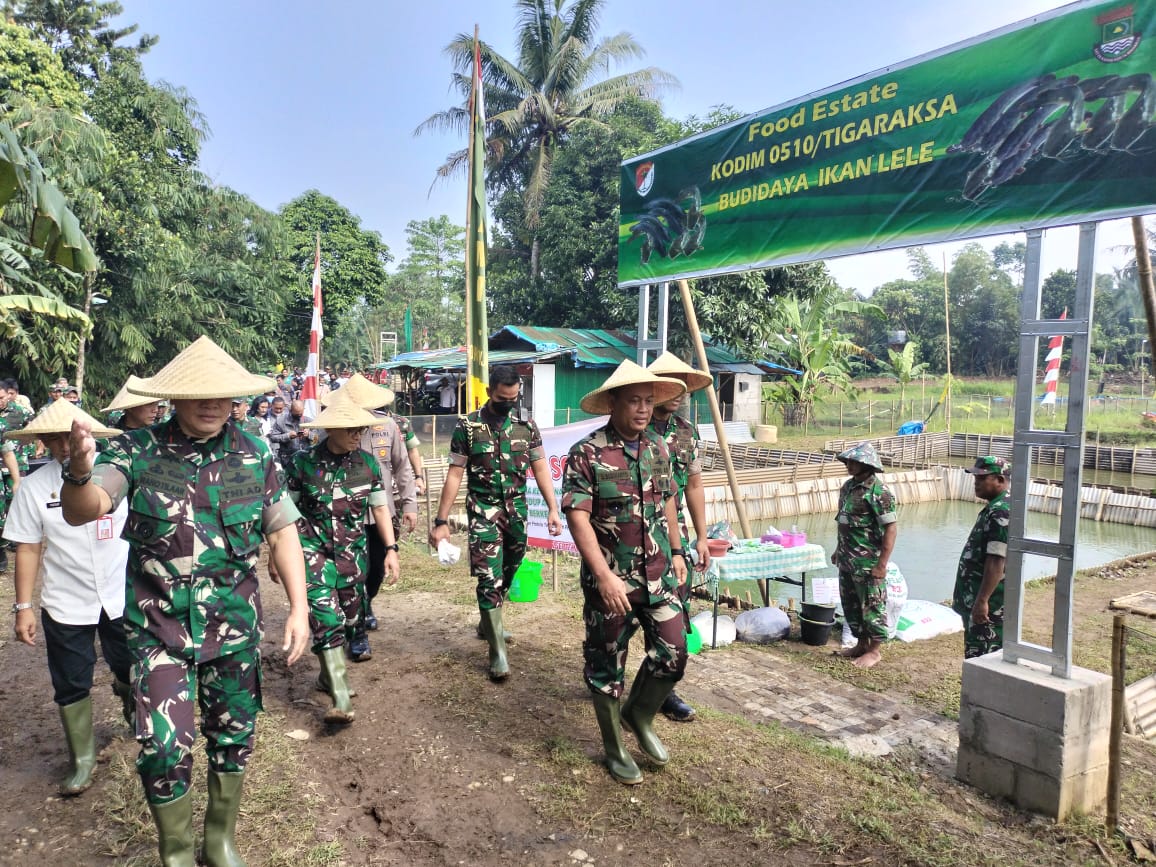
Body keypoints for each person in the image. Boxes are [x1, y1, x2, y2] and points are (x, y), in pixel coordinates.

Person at [60, 335, 310, 867]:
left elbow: (282, 530)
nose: (211, 403)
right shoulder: (136, 450)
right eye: (197, 393)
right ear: (174, 397)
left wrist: (301, 608)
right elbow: (85, 508)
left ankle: (219, 842)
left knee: (233, 736)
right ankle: (175, 852)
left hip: (234, 630)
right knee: (163, 748)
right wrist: (79, 471)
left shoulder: (255, 451)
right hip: (159, 634)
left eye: (222, 393)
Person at [562, 360, 689, 785]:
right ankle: (615, 748)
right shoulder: (588, 452)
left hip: (658, 575)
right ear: (612, 403)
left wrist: (676, 551)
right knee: (606, 667)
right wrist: (602, 575)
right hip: (612, 580)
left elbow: (668, 499)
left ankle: (640, 714)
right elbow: (578, 518)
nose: (642, 409)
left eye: (649, 402)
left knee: (673, 654)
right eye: (633, 401)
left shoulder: (658, 447)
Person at [3, 399, 133, 796]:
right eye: (55, 438)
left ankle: (134, 710)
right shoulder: (34, 489)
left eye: (70, 437)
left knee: (131, 664)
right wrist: (23, 606)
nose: (65, 445)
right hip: (66, 601)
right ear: (42, 441)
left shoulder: (117, 476)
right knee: (71, 680)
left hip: (121, 592)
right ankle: (83, 759)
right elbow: (27, 546)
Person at [429, 365, 562, 681]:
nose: (509, 403)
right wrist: (440, 520)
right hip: (484, 513)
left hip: (517, 513)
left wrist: (553, 509)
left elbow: (541, 468)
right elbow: (455, 474)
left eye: (514, 398)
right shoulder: (469, 427)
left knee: (509, 569)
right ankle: (497, 651)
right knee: (489, 577)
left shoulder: (526, 426)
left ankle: (487, 622)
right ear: (489, 393)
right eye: (503, 398)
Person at [285, 390, 400, 722]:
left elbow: (379, 507)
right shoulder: (301, 463)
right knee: (326, 619)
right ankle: (339, 697)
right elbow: (286, 516)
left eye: (361, 430)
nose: (357, 435)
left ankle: (326, 675)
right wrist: (278, 557)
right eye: (350, 429)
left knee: (352, 619)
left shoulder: (367, 464)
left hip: (353, 556)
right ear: (329, 428)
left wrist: (390, 549)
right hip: (312, 551)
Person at [319, 374, 415, 651]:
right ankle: (355, 620)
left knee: (375, 569)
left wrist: (409, 505)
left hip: (381, 511)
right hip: (345, 513)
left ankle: (367, 602)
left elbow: (402, 467)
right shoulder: (333, 426)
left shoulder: (388, 426)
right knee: (350, 571)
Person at [645, 351, 713, 722]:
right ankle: (608, 678)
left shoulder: (687, 432)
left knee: (673, 608)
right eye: (671, 382)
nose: (680, 391)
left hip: (675, 535)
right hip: (632, 530)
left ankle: (663, 688)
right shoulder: (637, 427)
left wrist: (700, 537)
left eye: (683, 384)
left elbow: (694, 485)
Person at [832, 443, 898, 670]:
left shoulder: (879, 493)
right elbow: (845, 522)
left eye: (853, 462)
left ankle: (874, 651)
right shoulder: (848, 487)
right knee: (850, 604)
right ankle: (861, 644)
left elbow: (891, 528)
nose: (848, 465)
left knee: (872, 606)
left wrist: (882, 564)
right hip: (847, 559)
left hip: (868, 562)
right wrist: (837, 549)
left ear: (867, 465)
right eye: (847, 461)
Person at [953, 456, 1012, 659]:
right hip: (977, 596)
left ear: (1000, 480)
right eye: (975, 478)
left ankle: (983, 691)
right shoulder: (993, 508)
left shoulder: (1000, 512)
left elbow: (997, 561)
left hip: (989, 603)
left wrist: (982, 601)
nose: (976, 482)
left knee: (984, 657)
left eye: (982, 478)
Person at [269, 398, 311, 468]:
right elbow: (273, 437)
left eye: (300, 414)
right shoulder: (280, 420)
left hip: (305, 458)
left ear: (304, 409)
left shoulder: (309, 421)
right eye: (296, 414)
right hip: (287, 458)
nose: (299, 416)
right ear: (290, 410)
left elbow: (317, 437)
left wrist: (309, 434)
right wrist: (287, 436)